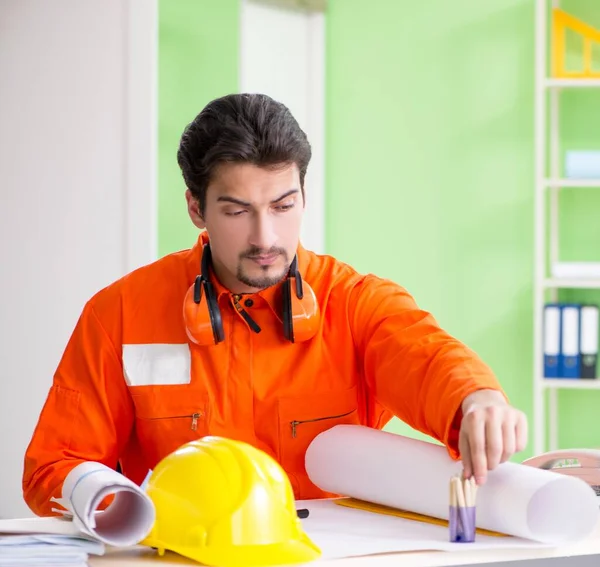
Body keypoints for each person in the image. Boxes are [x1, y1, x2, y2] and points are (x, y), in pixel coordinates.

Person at [22, 93, 527, 516]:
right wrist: (117, 508)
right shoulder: (119, 315)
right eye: (237, 211)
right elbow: (52, 468)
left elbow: (425, 355)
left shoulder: (354, 304)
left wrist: (476, 399)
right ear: (196, 208)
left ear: (303, 196)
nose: (266, 237)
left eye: (284, 207)